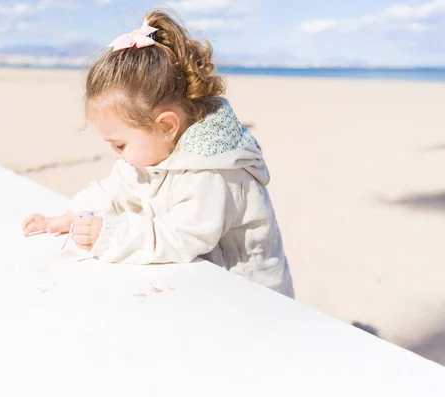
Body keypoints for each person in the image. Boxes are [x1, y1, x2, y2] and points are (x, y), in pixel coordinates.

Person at [21, 10, 294, 297]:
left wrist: (110, 235)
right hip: (206, 288)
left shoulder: (213, 175)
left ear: (166, 126)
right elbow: (114, 190)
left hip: (252, 298)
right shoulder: (155, 151)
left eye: (120, 144)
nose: (116, 155)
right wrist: (73, 215)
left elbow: (178, 238)